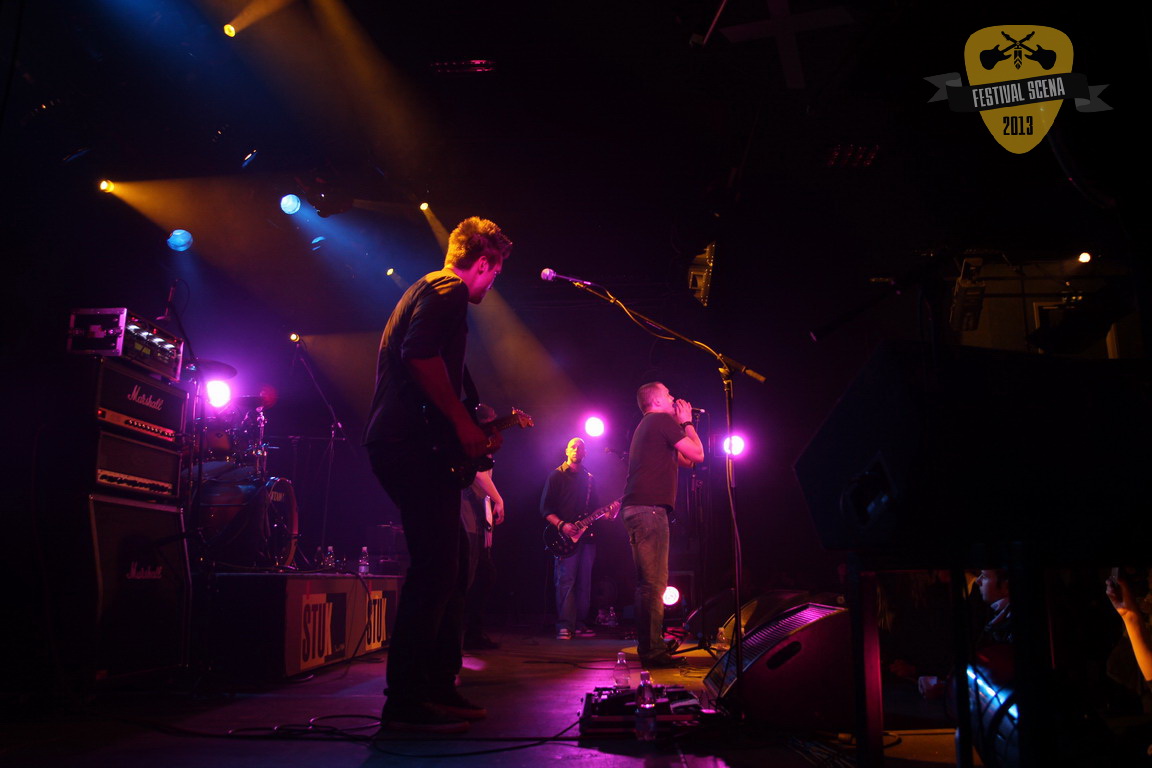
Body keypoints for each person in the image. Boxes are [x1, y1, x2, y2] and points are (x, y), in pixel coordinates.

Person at [363, 216, 512, 733]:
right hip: (408, 446)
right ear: (483, 263)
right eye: (496, 272)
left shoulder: (430, 290)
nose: (493, 284)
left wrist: (471, 425)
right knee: (435, 569)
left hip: (410, 444)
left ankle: (435, 685)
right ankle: (405, 702)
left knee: (454, 562)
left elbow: (431, 371)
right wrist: (461, 424)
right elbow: (420, 355)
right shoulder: (447, 289)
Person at [620, 382, 704, 668]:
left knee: (649, 583)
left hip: (640, 509)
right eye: (668, 395)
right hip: (649, 510)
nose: (673, 398)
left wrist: (683, 427)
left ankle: (651, 643)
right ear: (656, 401)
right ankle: (652, 651)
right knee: (653, 583)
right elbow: (699, 454)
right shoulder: (659, 421)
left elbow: (686, 461)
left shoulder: (651, 425)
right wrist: (687, 422)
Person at [540, 437, 602, 640]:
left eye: (580, 448)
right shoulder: (556, 476)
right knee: (565, 580)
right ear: (567, 451)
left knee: (585, 582)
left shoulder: (589, 478)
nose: (576, 450)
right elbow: (545, 509)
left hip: (587, 538)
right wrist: (562, 525)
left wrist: (607, 513)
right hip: (563, 537)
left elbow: (595, 508)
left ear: (585, 453)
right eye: (573, 447)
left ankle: (580, 623)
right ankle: (565, 625)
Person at [461, 404, 504, 651]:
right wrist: (499, 500)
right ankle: (463, 633)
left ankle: (472, 632)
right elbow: (479, 475)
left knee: (484, 574)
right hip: (467, 516)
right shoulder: (473, 443)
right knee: (470, 575)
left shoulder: (484, 445)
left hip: (478, 517)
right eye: (491, 422)